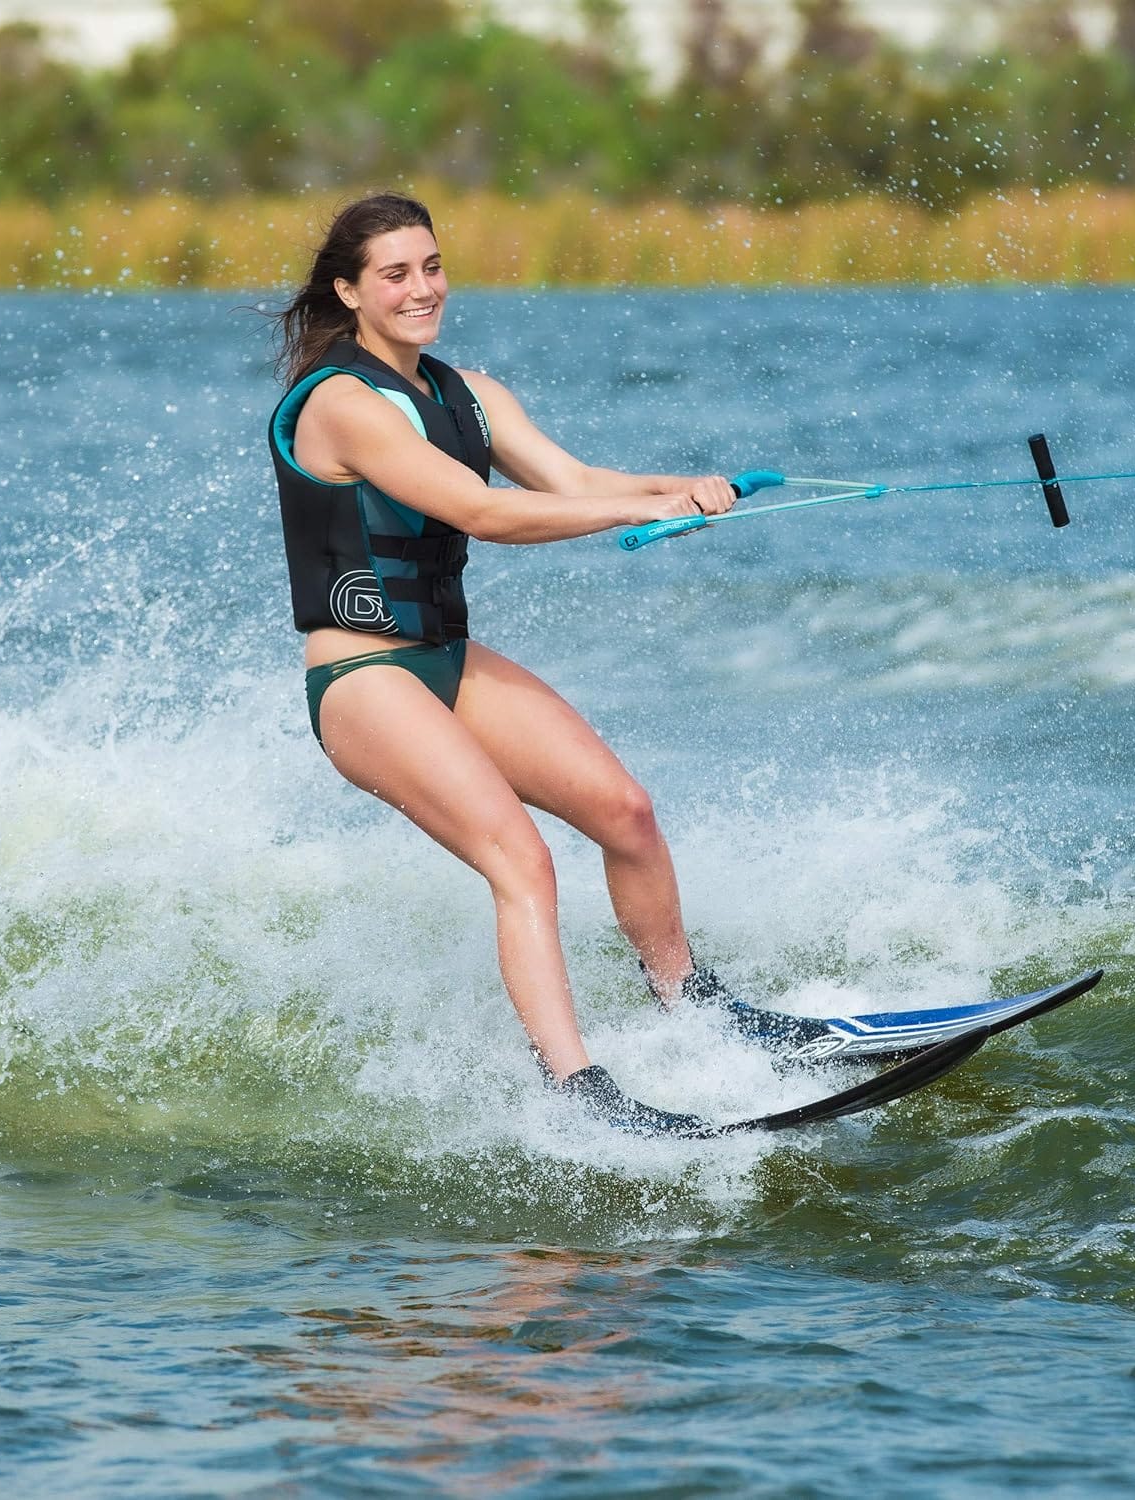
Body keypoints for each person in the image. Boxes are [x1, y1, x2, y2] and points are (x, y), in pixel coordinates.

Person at [269, 193, 841, 1135]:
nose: (423, 289)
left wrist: (695, 486)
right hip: (362, 679)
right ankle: (581, 1091)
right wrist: (638, 513)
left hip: (444, 658)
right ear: (350, 292)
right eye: (396, 275)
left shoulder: (469, 395)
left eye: (433, 266)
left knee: (625, 812)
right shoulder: (338, 401)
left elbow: (572, 484)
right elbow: (485, 515)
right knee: (524, 862)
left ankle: (695, 1008)